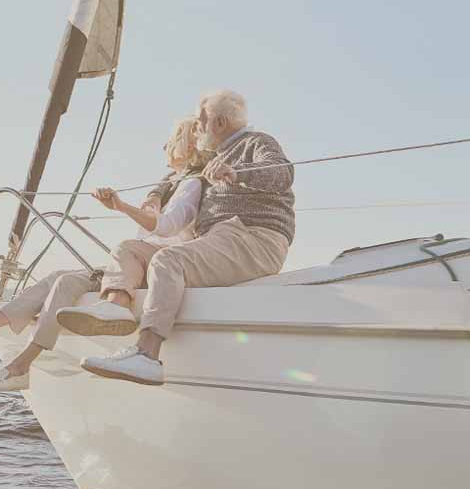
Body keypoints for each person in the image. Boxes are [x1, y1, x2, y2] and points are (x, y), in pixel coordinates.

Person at [0, 116, 210, 391]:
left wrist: (122, 207)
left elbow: (166, 228)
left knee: (70, 279)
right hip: (135, 265)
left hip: (156, 268)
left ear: (188, 145)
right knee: (61, 278)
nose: (165, 144)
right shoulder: (170, 186)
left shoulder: (192, 185)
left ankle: (16, 360)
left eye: (173, 139)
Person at [57, 90, 294, 386]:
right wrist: (154, 195)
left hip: (253, 237)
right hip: (222, 238)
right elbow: (174, 176)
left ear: (219, 123)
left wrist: (236, 171)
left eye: (199, 122)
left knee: (168, 260)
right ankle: (114, 308)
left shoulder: (256, 142)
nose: (196, 129)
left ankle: (146, 355)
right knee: (128, 248)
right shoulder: (215, 156)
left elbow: (281, 173)